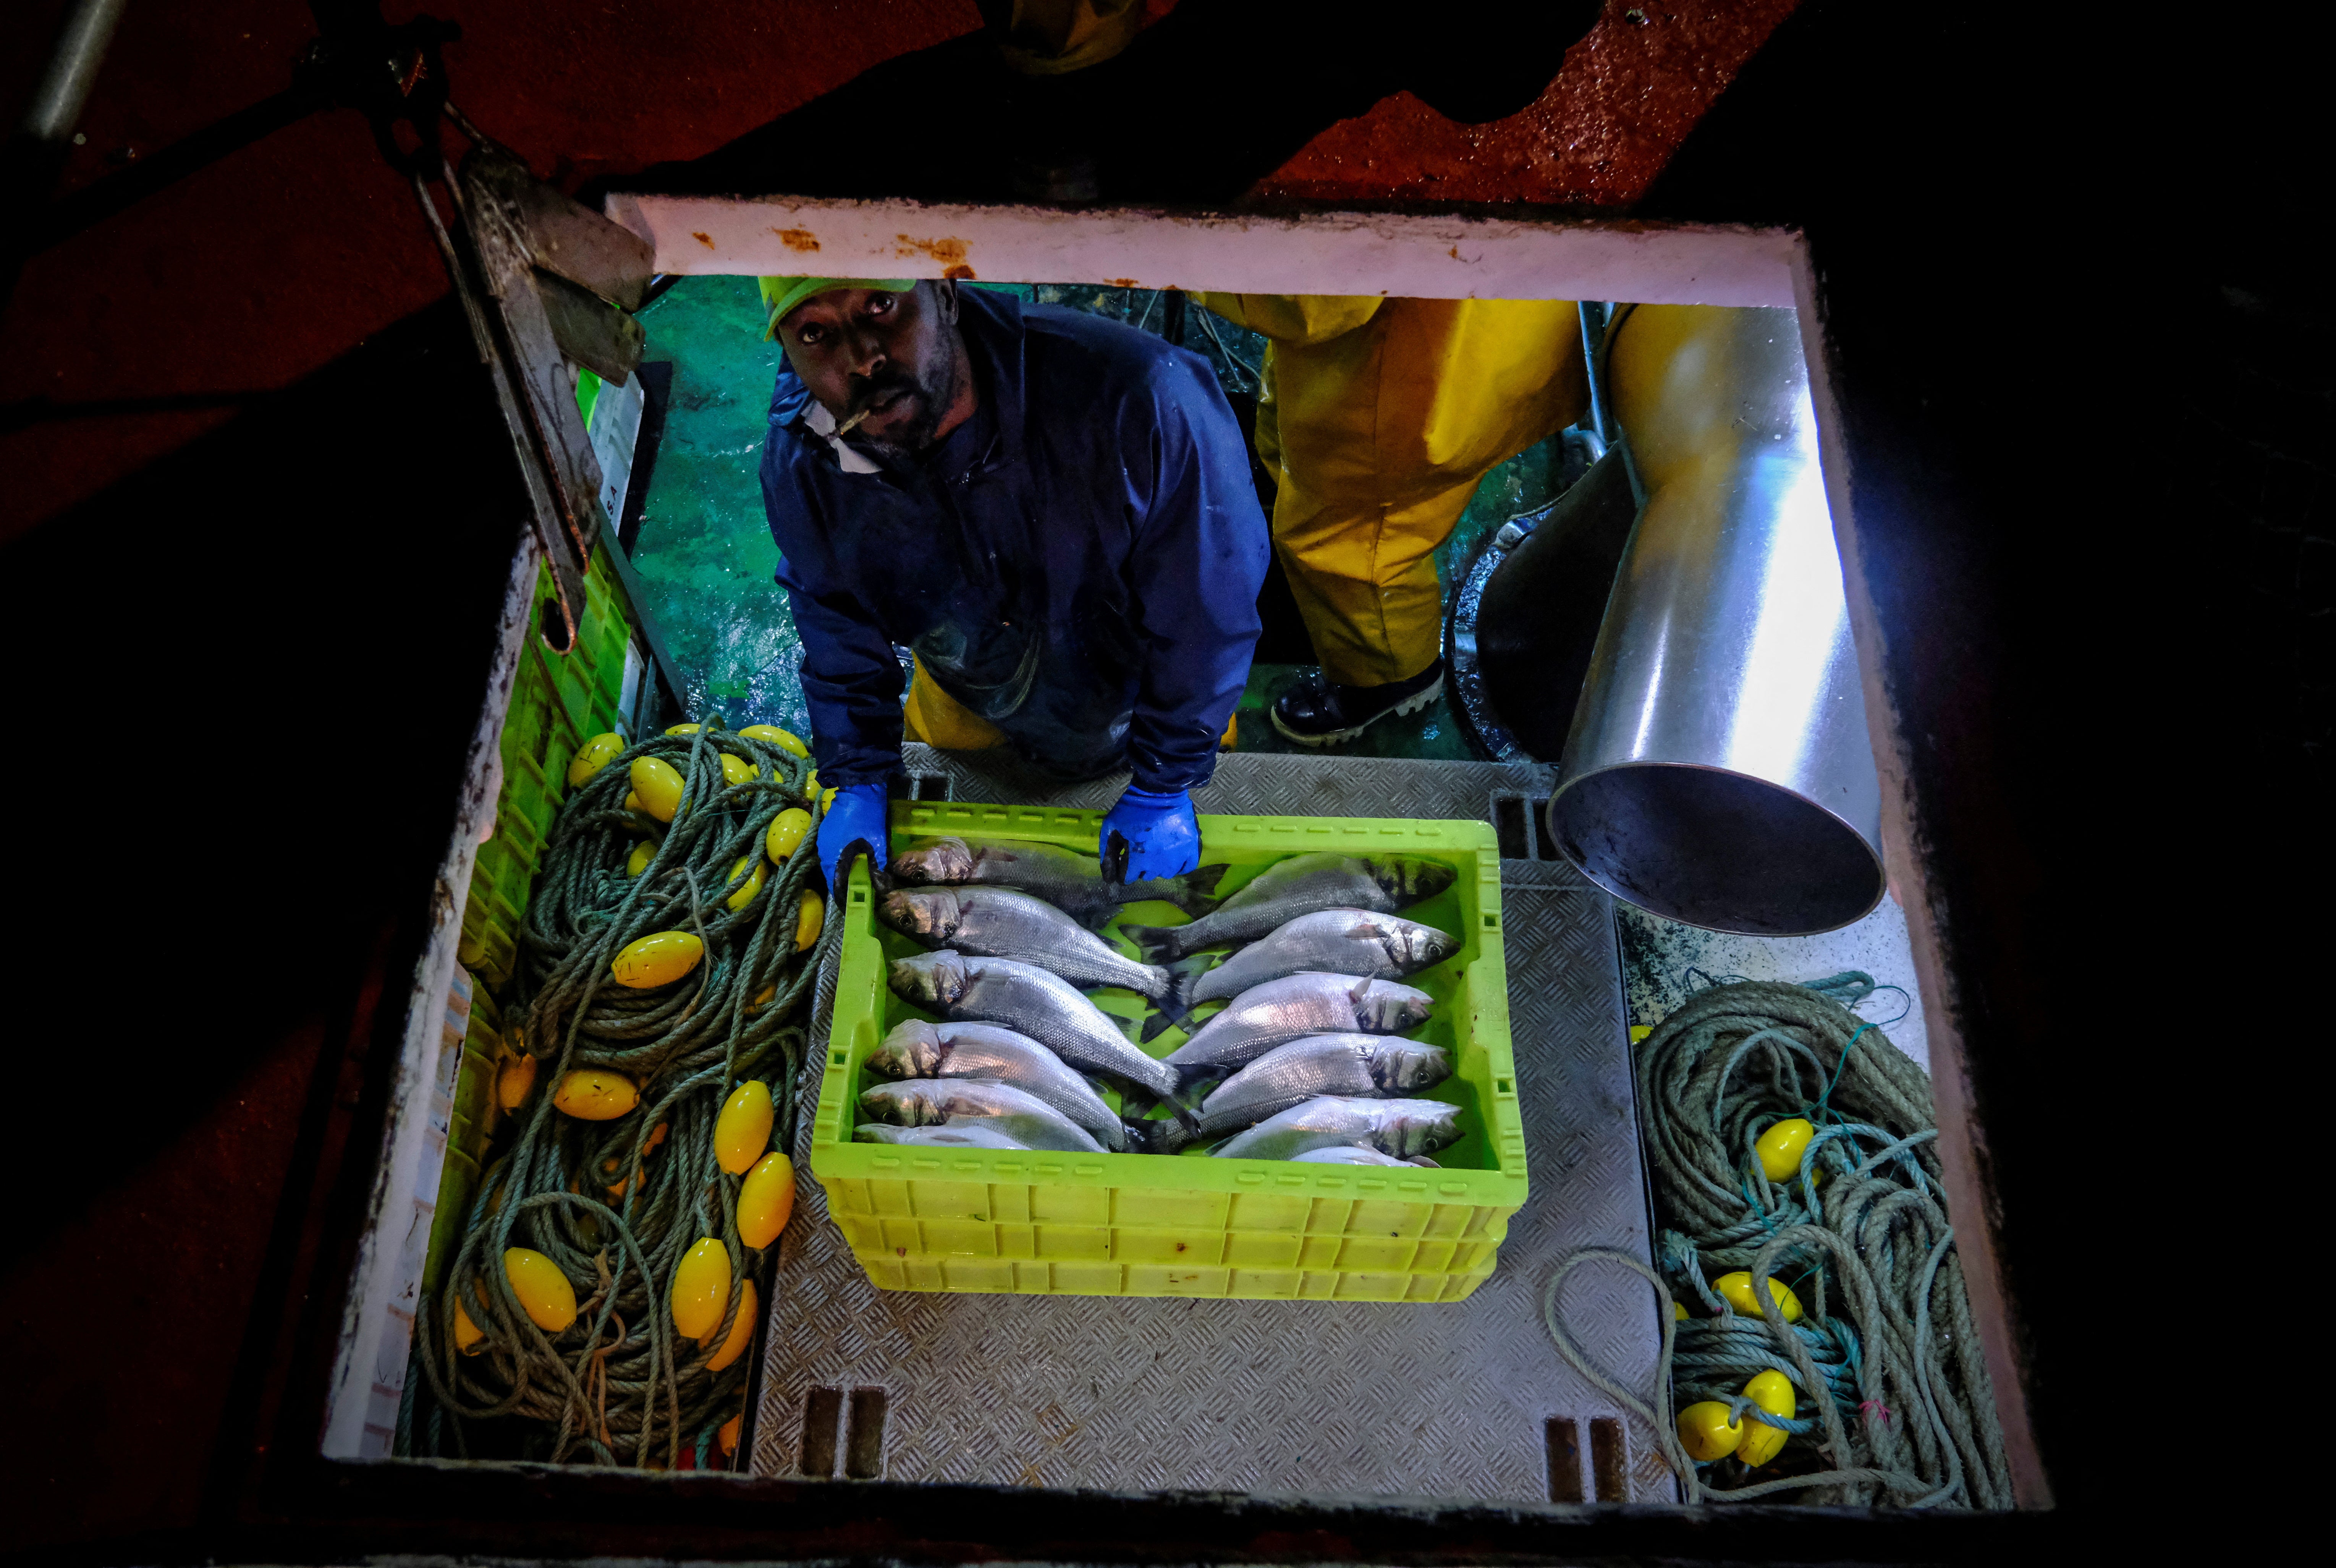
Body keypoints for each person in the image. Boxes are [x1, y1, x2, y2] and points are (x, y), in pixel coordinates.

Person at [756, 275, 1269, 892]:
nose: (863, 357)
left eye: (882, 305)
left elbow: (1206, 616)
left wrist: (1167, 778)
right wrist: (859, 771)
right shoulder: (807, 459)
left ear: (945, 294)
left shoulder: (1144, 400)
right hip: (962, 692)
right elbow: (831, 608)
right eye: (815, 333)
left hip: (1135, 706)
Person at [1193, 294, 1590, 744]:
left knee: (1360, 545)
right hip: (1483, 322)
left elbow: (1312, 298)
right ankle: (1296, 499)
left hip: (1407, 376)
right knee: (1290, 438)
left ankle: (1389, 677)